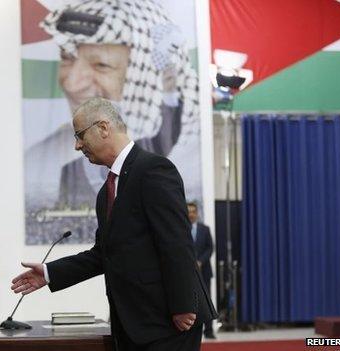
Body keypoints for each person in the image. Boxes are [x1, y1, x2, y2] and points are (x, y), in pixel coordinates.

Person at [11, 98, 216, 351]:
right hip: (133, 325)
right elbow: (104, 255)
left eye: (80, 136)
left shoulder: (153, 170)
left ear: (104, 128)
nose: (77, 146)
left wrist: (184, 305)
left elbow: (177, 242)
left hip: (169, 322)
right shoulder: (105, 192)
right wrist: (50, 272)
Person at [23, 0, 200, 244]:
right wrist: (48, 273)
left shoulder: (159, 166)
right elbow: (105, 254)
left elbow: (176, 256)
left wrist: (168, 82)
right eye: (67, 58)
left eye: (101, 65)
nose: (72, 83)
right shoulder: (57, 165)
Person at [187, 202, 215, 339]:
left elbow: (210, 248)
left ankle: (209, 331)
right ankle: (191, 331)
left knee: (207, 300)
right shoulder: (181, 229)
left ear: (197, 213)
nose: (191, 214)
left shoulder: (205, 229)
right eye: (189, 211)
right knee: (190, 301)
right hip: (188, 273)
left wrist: (200, 261)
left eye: (193, 211)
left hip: (204, 271)